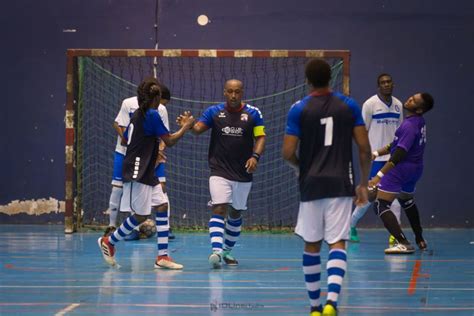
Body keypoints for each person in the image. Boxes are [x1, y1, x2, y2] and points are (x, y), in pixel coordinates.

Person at [282, 58, 371, 316]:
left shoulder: (299, 108)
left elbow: (287, 152)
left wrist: (301, 168)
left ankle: (314, 307)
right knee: (337, 243)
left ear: (307, 80)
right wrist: (363, 183)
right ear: (330, 78)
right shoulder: (349, 105)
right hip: (340, 184)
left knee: (311, 245)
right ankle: (332, 302)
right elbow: (364, 149)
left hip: (311, 185)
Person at [98, 77, 195, 268]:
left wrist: (152, 152)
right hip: (137, 170)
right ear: (156, 97)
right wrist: (186, 126)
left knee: (162, 205)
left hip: (147, 168)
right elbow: (170, 141)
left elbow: (126, 139)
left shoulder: (137, 115)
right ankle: (109, 241)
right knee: (141, 216)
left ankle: (163, 257)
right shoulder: (152, 115)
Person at [177, 79, 266, 268]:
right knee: (219, 208)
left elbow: (260, 137)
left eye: (237, 92)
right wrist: (189, 125)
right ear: (224, 92)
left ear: (242, 93)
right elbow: (198, 129)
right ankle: (216, 251)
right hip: (219, 170)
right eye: (230, 92)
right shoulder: (214, 112)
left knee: (236, 213)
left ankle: (226, 251)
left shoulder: (253, 113)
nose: (233, 95)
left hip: (243, 172)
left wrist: (255, 157)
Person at [369, 92, 434, 254]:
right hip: (416, 168)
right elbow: (396, 143)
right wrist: (377, 153)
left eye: (413, 100)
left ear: (419, 109)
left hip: (402, 169)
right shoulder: (419, 121)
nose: (409, 99)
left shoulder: (409, 125)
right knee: (406, 201)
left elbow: (399, 154)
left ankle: (403, 242)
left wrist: (379, 176)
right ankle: (420, 239)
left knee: (380, 204)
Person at [350, 74, 403, 245]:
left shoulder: (398, 105)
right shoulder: (370, 104)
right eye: (383, 83)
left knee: (394, 197)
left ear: (393, 84)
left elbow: (401, 133)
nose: (386, 85)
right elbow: (361, 131)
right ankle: (350, 226)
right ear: (378, 86)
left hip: (394, 159)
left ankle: (395, 234)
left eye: (389, 82)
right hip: (375, 159)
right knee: (368, 197)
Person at [104, 95, 139, 236]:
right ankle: (111, 226)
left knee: (135, 188)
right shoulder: (129, 103)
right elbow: (116, 123)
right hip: (122, 152)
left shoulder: (155, 109)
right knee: (117, 187)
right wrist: (126, 139)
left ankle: (134, 229)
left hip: (139, 155)